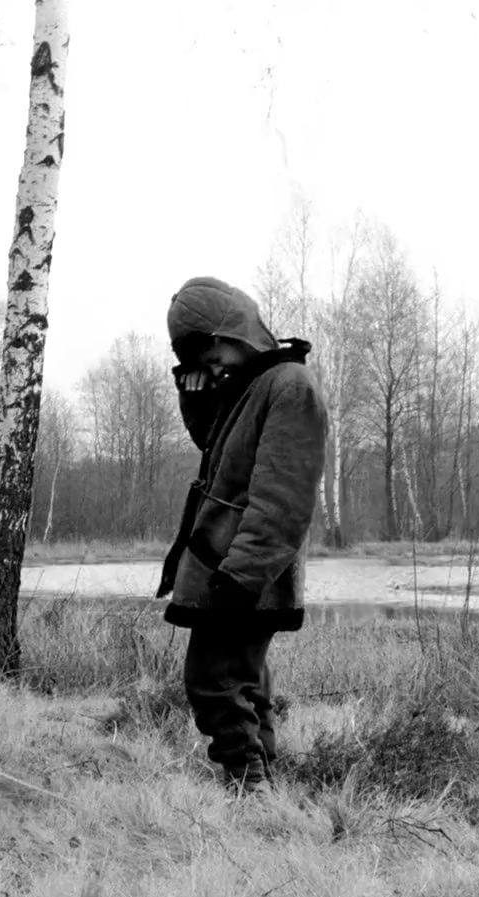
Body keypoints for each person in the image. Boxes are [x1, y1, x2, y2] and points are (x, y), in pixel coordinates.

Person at [156, 276, 327, 795]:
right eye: (197, 357)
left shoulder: (288, 385)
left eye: (210, 350)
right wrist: (198, 398)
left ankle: (248, 787)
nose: (208, 364)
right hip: (230, 565)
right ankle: (259, 787)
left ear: (235, 330)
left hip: (246, 571)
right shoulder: (250, 386)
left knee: (214, 678)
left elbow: (284, 497)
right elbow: (216, 449)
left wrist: (240, 578)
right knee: (243, 680)